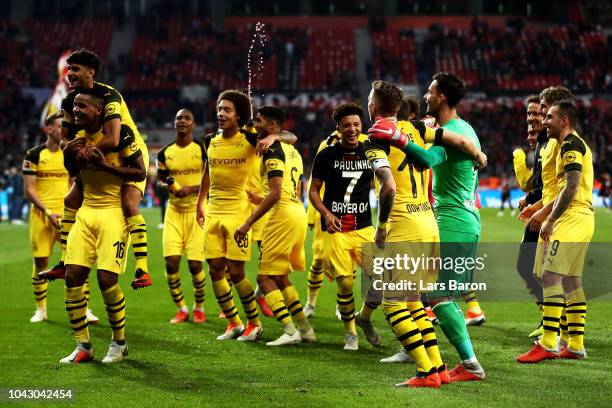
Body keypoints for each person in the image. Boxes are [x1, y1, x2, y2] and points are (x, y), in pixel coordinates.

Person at [38, 49, 152, 290]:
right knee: (71, 199)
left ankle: (143, 267)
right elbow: (64, 138)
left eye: (75, 69)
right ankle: (63, 261)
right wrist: (72, 151)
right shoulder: (69, 101)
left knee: (129, 202)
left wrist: (83, 155)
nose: (70, 75)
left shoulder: (109, 96)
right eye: (69, 70)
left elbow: (112, 138)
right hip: (92, 151)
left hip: (127, 151)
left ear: (91, 72)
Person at [59, 88, 146, 363]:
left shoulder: (122, 137)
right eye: (74, 106)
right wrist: (67, 156)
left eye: (82, 106)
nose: (76, 111)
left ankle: (119, 343)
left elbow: (141, 172)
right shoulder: (75, 138)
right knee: (72, 277)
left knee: (106, 280)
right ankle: (83, 345)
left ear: (98, 110)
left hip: (112, 212)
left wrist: (106, 166)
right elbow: (75, 174)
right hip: (86, 212)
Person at [195, 90, 278, 341]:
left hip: (238, 213)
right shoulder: (210, 140)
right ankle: (234, 322)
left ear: (239, 115)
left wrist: (272, 136)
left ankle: (254, 323)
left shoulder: (251, 140)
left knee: (236, 271)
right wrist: (200, 202)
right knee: (214, 269)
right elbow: (207, 172)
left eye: (227, 110)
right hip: (214, 211)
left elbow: (291, 136)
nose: (221, 113)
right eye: (219, 109)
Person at [517, 100, 593, 362]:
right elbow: (562, 189)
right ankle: (575, 345)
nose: (544, 121)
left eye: (549, 116)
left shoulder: (571, 145)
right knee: (571, 280)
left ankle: (548, 342)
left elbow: (571, 187)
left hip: (573, 217)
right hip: (577, 217)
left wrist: (549, 220)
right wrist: (541, 210)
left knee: (550, 275)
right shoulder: (564, 146)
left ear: (564, 121)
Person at [235, 105, 314, 345]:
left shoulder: (273, 150)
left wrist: (248, 223)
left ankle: (289, 331)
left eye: (258, 121)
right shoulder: (293, 151)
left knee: (264, 279)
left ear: (271, 125)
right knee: (279, 277)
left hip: (282, 216)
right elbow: (291, 189)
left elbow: (276, 193)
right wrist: (261, 198)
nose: (254, 124)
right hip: (297, 210)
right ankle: (305, 329)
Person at [309, 103, 374, 350]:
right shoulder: (326, 155)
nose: (352, 129)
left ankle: (364, 317)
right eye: (347, 125)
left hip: (364, 227)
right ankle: (351, 333)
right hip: (336, 229)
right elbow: (313, 191)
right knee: (345, 283)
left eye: (356, 124)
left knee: (382, 279)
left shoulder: (371, 151)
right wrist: (325, 213)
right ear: (338, 128)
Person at [519, 86, 575, 345]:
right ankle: (561, 334)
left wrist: (542, 210)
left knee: (557, 277)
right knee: (546, 274)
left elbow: (566, 186)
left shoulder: (564, 144)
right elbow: (551, 185)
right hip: (550, 211)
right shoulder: (549, 143)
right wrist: (537, 206)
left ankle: (561, 337)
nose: (539, 116)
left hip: (562, 214)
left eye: (542, 110)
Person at [156, 109, 207, 324]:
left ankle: (199, 307)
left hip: (197, 212)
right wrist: (170, 188)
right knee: (171, 263)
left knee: (196, 265)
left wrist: (191, 189)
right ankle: (181, 308)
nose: (182, 121)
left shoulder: (202, 149)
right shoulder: (165, 153)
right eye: (178, 118)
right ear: (174, 123)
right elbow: (159, 180)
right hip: (174, 213)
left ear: (193, 124)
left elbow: (210, 178)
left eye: (187, 118)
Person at [23, 112, 70, 322]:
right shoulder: (33, 155)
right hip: (42, 215)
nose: (63, 130)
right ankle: (41, 309)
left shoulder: (70, 153)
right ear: (48, 129)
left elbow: (74, 184)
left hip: (67, 216)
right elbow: (29, 190)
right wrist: (48, 212)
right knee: (41, 261)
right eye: (59, 126)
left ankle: (84, 308)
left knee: (76, 262)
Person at [514, 95, 548, 338]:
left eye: (536, 113)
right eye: (528, 115)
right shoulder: (541, 146)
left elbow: (550, 185)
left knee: (535, 269)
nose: (532, 119)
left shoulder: (550, 144)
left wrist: (530, 198)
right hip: (539, 210)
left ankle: (553, 321)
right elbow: (536, 182)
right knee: (528, 267)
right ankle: (549, 318)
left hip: (546, 212)